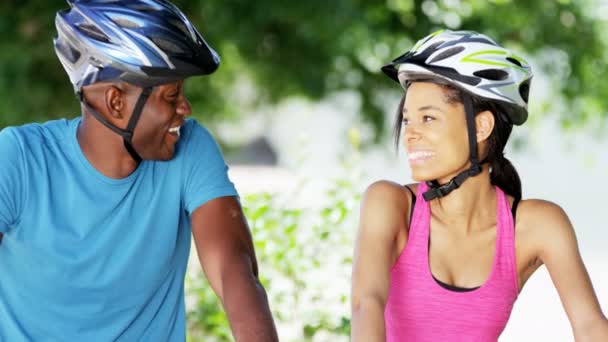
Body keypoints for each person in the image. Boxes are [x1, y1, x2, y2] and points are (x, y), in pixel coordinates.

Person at [0, 1, 278, 341]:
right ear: (116, 102)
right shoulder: (21, 159)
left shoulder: (190, 149)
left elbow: (233, 270)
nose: (185, 108)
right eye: (171, 94)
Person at [350, 29, 608, 341]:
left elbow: (591, 327)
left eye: (428, 118)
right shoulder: (391, 204)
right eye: (407, 120)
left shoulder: (538, 225)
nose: (410, 134)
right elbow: (367, 304)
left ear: (481, 126)